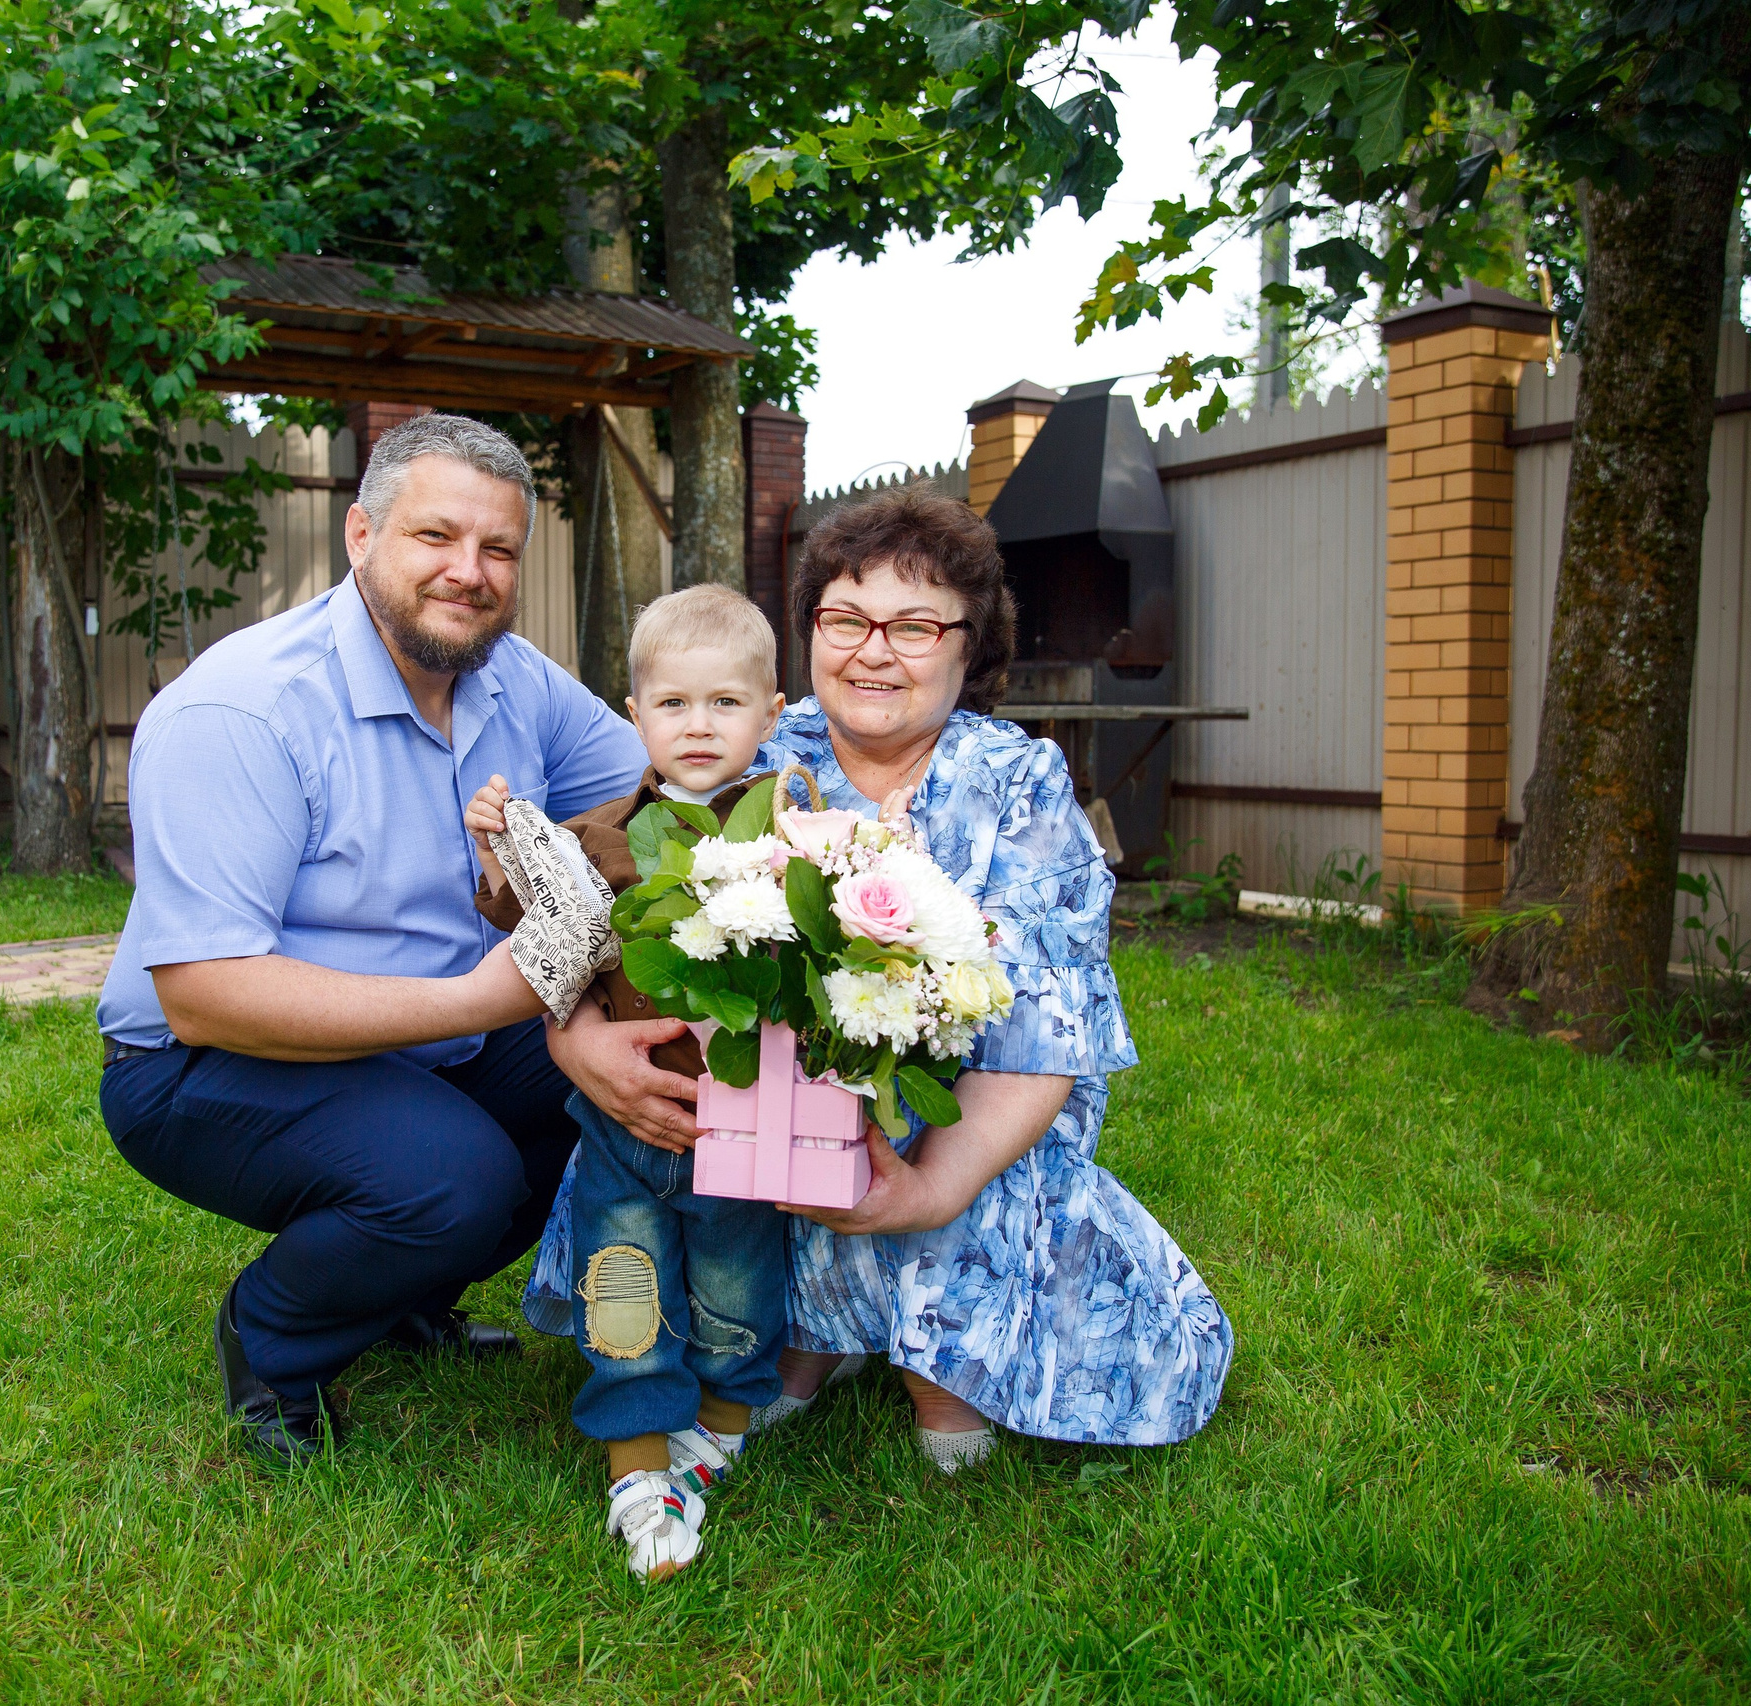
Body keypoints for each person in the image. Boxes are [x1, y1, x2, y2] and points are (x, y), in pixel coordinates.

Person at [526, 488, 1233, 1471]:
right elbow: (602, 903)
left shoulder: (1019, 785)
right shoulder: (751, 744)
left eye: (914, 625)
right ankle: (799, 1338)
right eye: (846, 618)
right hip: (756, 1099)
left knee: (908, 1146)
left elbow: (1051, 1038)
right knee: (745, 1131)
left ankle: (929, 1359)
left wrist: (928, 1190)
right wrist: (577, 1039)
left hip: (960, 1109)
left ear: (967, 644)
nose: (873, 649)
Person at [94, 413, 647, 1460]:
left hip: (429, 1040)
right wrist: (486, 998)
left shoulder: (512, 677)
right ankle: (273, 1344)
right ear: (359, 536)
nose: (469, 572)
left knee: (620, 1068)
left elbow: (657, 795)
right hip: (201, 1063)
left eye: (497, 549)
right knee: (455, 1173)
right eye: (434, 537)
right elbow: (204, 991)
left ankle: (399, 1293)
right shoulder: (243, 708)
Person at [466, 584, 790, 1582]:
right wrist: (497, 849)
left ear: (770, 713)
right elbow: (531, 917)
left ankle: (723, 1422)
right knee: (626, 1285)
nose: (698, 724)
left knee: (738, 1277)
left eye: (726, 703)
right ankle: (637, 1460)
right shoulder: (599, 834)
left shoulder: (802, 835)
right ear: (635, 712)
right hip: (622, 1121)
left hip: (742, 1118)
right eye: (673, 703)